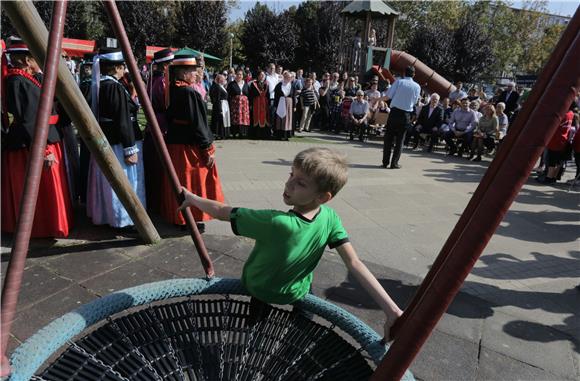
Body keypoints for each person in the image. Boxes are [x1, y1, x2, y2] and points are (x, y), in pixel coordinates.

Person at [178, 147, 403, 339]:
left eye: (301, 183)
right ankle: (297, 336)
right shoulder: (330, 218)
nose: (288, 184)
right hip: (298, 290)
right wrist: (391, 310)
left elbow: (222, 211)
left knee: (257, 313)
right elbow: (354, 263)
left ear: (323, 197)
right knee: (307, 311)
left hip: (261, 287)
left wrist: (192, 198)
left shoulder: (277, 222)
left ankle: (253, 331)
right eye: (290, 174)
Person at [1, 41, 73, 238]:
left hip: (47, 136)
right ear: (26, 59)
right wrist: (44, 149)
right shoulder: (16, 81)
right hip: (32, 144)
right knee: (39, 190)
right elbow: (29, 119)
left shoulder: (30, 77)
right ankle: (42, 227)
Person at [160, 54, 224, 231]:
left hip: (175, 143)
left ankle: (178, 216)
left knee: (178, 180)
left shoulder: (172, 88)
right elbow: (198, 123)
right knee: (191, 181)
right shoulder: (189, 92)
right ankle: (190, 219)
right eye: (192, 71)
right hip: (188, 147)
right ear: (182, 73)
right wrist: (208, 148)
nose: (196, 74)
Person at [86, 48, 145, 228]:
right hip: (120, 142)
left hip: (108, 139)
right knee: (125, 180)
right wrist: (130, 148)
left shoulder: (98, 84)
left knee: (107, 181)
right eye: (122, 67)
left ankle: (106, 214)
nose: (124, 70)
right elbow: (123, 119)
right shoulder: (114, 87)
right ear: (116, 68)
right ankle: (123, 219)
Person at [143, 48, 173, 213]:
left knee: (152, 166)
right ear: (165, 65)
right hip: (162, 125)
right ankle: (160, 204)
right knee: (161, 167)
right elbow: (165, 104)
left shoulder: (150, 79)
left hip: (152, 124)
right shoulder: (162, 82)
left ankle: (153, 202)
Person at [381, 66, 421, 169]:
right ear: (414, 74)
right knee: (400, 140)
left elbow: (388, 96)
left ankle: (385, 162)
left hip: (394, 113)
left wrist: (377, 99)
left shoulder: (398, 82)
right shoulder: (417, 86)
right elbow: (416, 102)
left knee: (389, 137)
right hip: (406, 115)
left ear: (404, 73)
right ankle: (394, 163)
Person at [227, 68, 250, 138]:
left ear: (243, 76)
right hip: (235, 104)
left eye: (241, 74)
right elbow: (228, 94)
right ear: (235, 75)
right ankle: (235, 132)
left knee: (243, 118)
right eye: (238, 74)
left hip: (244, 105)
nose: (239, 76)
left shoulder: (245, 84)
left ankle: (242, 133)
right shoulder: (231, 84)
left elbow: (248, 94)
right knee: (235, 118)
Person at [273, 71, 294, 141]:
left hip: (289, 104)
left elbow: (293, 96)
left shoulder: (292, 85)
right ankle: (279, 135)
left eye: (289, 77)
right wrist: (275, 105)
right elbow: (276, 96)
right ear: (284, 77)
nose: (288, 78)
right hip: (280, 103)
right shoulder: (279, 85)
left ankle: (286, 135)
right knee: (280, 119)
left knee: (287, 119)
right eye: (286, 77)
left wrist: (294, 106)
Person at [209, 73, 231, 139]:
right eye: (223, 78)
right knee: (219, 120)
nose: (224, 79)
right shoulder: (218, 87)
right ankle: (218, 134)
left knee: (223, 120)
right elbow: (217, 99)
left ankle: (222, 134)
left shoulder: (222, 87)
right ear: (220, 79)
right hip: (220, 105)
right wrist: (220, 109)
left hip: (224, 104)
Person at [248, 70, 269, 139]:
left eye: (263, 75)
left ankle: (264, 134)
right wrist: (250, 104)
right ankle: (256, 134)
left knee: (264, 117)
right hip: (256, 103)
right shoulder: (253, 84)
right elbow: (250, 95)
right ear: (258, 76)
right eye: (261, 75)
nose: (262, 76)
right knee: (256, 116)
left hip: (264, 103)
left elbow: (268, 95)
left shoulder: (267, 84)